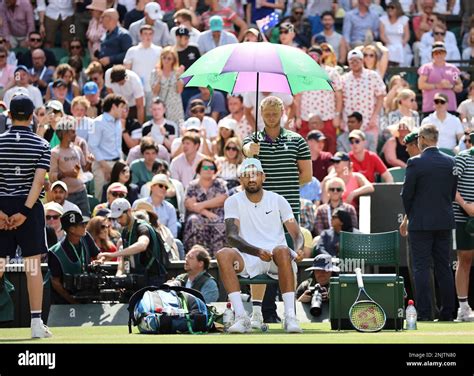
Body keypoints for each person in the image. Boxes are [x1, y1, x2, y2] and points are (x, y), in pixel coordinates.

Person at [216, 158, 304, 333]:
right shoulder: (232, 201)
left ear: (263, 177)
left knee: (282, 250)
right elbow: (232, 236)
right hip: (249, 256)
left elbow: (296, 233)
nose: (251, 179)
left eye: (255, 174)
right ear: (241, 179)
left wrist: (299, 248)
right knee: (223, 254)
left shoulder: (278, 200)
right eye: (247, 175)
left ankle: (290, 317)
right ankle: (241, 317)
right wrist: (256, 251)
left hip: (278, 257)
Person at [0, 94, 52, 338]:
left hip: (2, 207)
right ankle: (35, 324)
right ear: (32, 117)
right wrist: (24, 212)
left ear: (9, 115)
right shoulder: (42, 145)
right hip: (28, 210)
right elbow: (38, 182)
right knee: (33, 266)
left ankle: (36, 324)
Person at [401, 124, 457, 321]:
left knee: (421, 268)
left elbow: (407, 195)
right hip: (444, 221)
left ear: (422, 139)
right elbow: (451, 194)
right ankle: (448, 312)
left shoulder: (415, 162)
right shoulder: (451, 162)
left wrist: (411, 215)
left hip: (421, 224)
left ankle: (425, 313)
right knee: (444, 267)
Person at [98, 198, 168, 286]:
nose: (118, 221)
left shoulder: (142, 227)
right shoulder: (125, 231)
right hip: (137, 278)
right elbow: (124, 257)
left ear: (129, 211)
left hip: (153, 279)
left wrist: (113, 254)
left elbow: (142, 245)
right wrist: (118, 277)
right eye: (116, 218)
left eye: (120, 217)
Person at [48, 211, 100, 304]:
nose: (85, 226)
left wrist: (99, 260)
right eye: (81, 224)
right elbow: (55, 282)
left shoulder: (86, 236)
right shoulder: (55, 252)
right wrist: (73, 301)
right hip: (65, 302)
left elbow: (98, 256)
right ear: (72, 229)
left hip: (88, 295)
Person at [183, 157, 228, 256]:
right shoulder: (192, 185)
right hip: (200, 217)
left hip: (217, 217)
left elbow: (222, 199)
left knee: (222, 223)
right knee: (194, 221)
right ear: (199, 170)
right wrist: (207, 213)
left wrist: (200, 205)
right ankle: (196, 256)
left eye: (211, 167)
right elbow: (189, 205)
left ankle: (218, 258)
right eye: (205, 167)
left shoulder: (219, 184)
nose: (208, 170)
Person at [341, 49, 386, 141]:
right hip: (350, 123)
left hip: (369, 121)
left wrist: (374, 116)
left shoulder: (373, 76)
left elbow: (380, 97)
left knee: (370, 151)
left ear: (362, 61)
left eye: (357, 60)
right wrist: (341, 118)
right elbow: (341, 100)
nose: (354, 63)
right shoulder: (343, 79)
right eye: (351, 61)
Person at [49, 116, 90, 216]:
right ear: (64, 133)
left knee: (85, 219)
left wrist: (90, 161)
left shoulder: (77, 149)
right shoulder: (54, 153)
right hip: (66, 196)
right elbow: (52, 176)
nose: (75, 134)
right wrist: (67, 174)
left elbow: (84, 169)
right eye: (72, 131)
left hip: (81, 192)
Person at [452, 131, 474, 322]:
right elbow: (452, 186)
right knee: (464, 258)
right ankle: (463, 308)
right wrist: (467, 206)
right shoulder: (462, 158)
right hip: (461, 215)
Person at [89, 94, 127, 200]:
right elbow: (92, 146)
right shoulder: (97, 122)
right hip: (102, 166)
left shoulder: (118, 122)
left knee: (120, 196)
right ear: (114, 107)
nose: (123, 110)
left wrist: (121, 162)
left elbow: (118, 146)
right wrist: (105, 167)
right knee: (100, 197)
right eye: (121, 107)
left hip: (117, 164)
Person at [418, 42, 463, 115]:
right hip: (431, 107)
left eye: (441, 52)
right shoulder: (426, 68)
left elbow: (459, 86)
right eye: (436, 53)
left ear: (445, 54)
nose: (439, 55)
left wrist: (451, 86)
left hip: (450, 107)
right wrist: (437, 85)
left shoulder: (453, 69)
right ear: (432, 55)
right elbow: (421, 85)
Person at [133, 174, 178, 238]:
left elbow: (173, 233)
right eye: (161, 185)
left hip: (163, 241)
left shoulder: (170, 208)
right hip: (141, 238)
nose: (164, 188)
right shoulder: (139, 203)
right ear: (152, 187)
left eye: (166, 187)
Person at [150, 47, 185, 125]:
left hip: (175, 106)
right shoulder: (155, 72)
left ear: (173, 60)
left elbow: (179, 90)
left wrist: (178, 77)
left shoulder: (177, 72)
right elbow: (155, 92)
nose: (166, 60)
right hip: (160, 107)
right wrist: (159, 79)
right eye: (164, 58)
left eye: (169, 59)